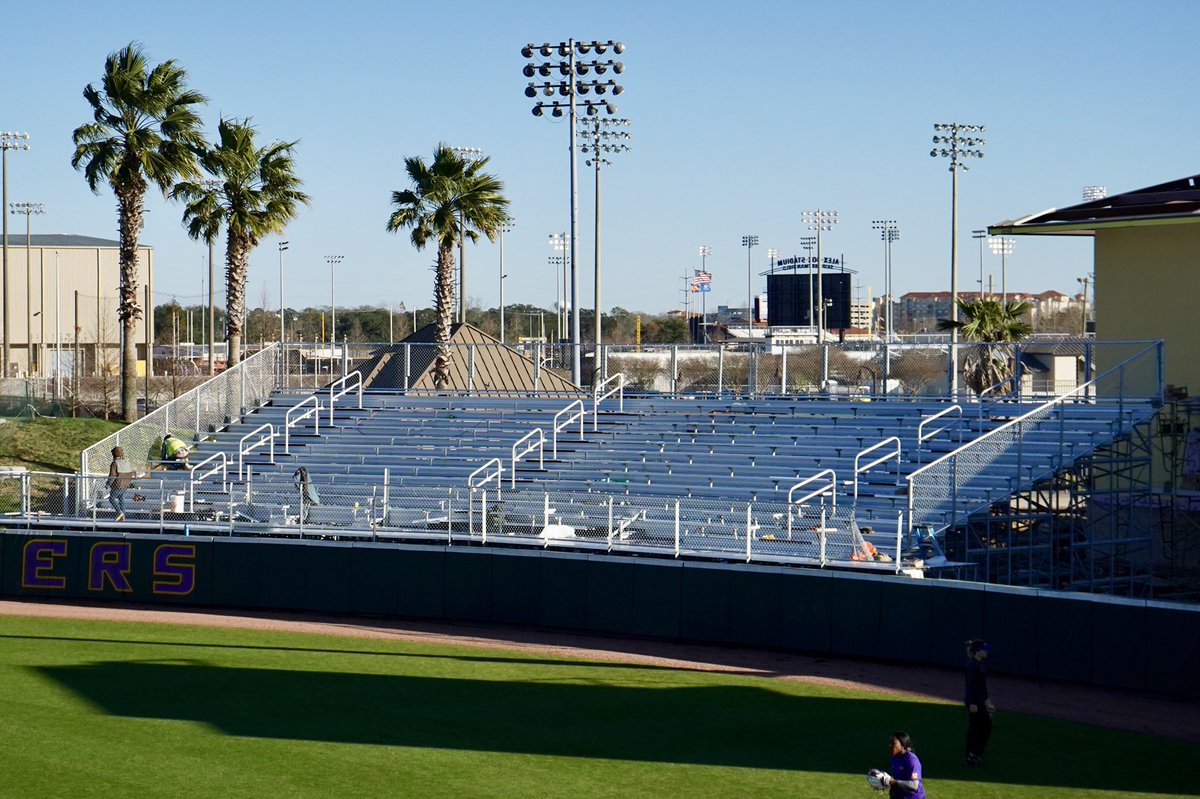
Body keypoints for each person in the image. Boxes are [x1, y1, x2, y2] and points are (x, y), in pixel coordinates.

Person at [964, 639, 994, 766]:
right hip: (974, 701)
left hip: (979, 701)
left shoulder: (979, 664)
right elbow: (970, 685)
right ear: (977, 651)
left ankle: (973, 754)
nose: (986, 651)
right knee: (980, 727)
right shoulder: (972, 665)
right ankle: (971, 755)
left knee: (980, 727)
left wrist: (988, 702)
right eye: (984, 649)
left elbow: (982, 686)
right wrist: (972, 703)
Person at [879, 731, 925, 798]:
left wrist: (891, 782)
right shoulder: (894, 758)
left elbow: (914, 785)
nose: (890, 745)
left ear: (902, 745)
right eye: (889, 743)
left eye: (893, 743)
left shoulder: (912, 760)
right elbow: (898, 778)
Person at [107, 446, 135, 521]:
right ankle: (123, 516)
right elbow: (130, 473)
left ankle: (120, 512)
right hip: (126, 484)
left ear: (114, 454)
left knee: (111, 498)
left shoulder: (114, 463)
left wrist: (108, 484)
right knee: (121, 498)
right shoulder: (127, 461)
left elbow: (112, 476)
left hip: (118, 485)